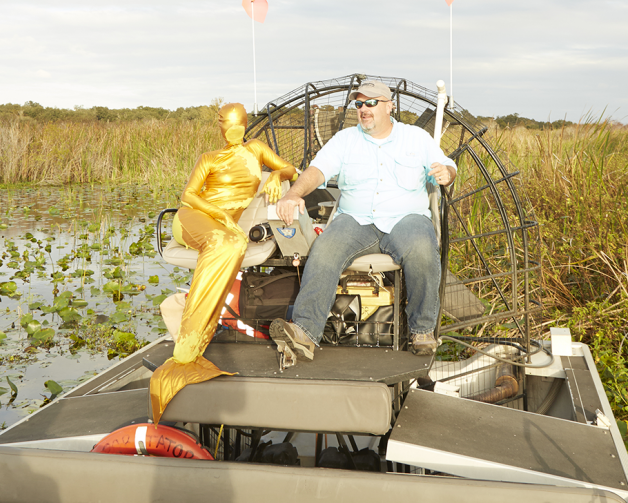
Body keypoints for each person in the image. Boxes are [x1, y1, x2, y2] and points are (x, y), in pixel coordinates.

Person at [270, 79, 455, 362]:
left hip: (406, 219)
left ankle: (422, 331)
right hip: (355, 220)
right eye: (359, 104)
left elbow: (448, 166)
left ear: (389, 106)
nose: (364, 109)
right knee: (325, 250)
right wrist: (293, 194)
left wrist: (446, 173)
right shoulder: (345, 141)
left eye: (371, 103)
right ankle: (304, 332)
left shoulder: (416, 138)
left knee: (421, 248)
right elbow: (317, 171)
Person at [149, 103, 296, 422]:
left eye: (238, 123)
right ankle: (188, 349)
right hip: (192, 219)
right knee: (228, 240)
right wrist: (221, 218)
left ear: (245, 125)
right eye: (226, 123)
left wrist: (276, 175)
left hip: (224, 226)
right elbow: (189, 197)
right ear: (219, 125)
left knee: (233, 241)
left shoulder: (256, 150)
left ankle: (191, 344)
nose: (232, 129)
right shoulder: (209, 159)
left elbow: (292, 171)